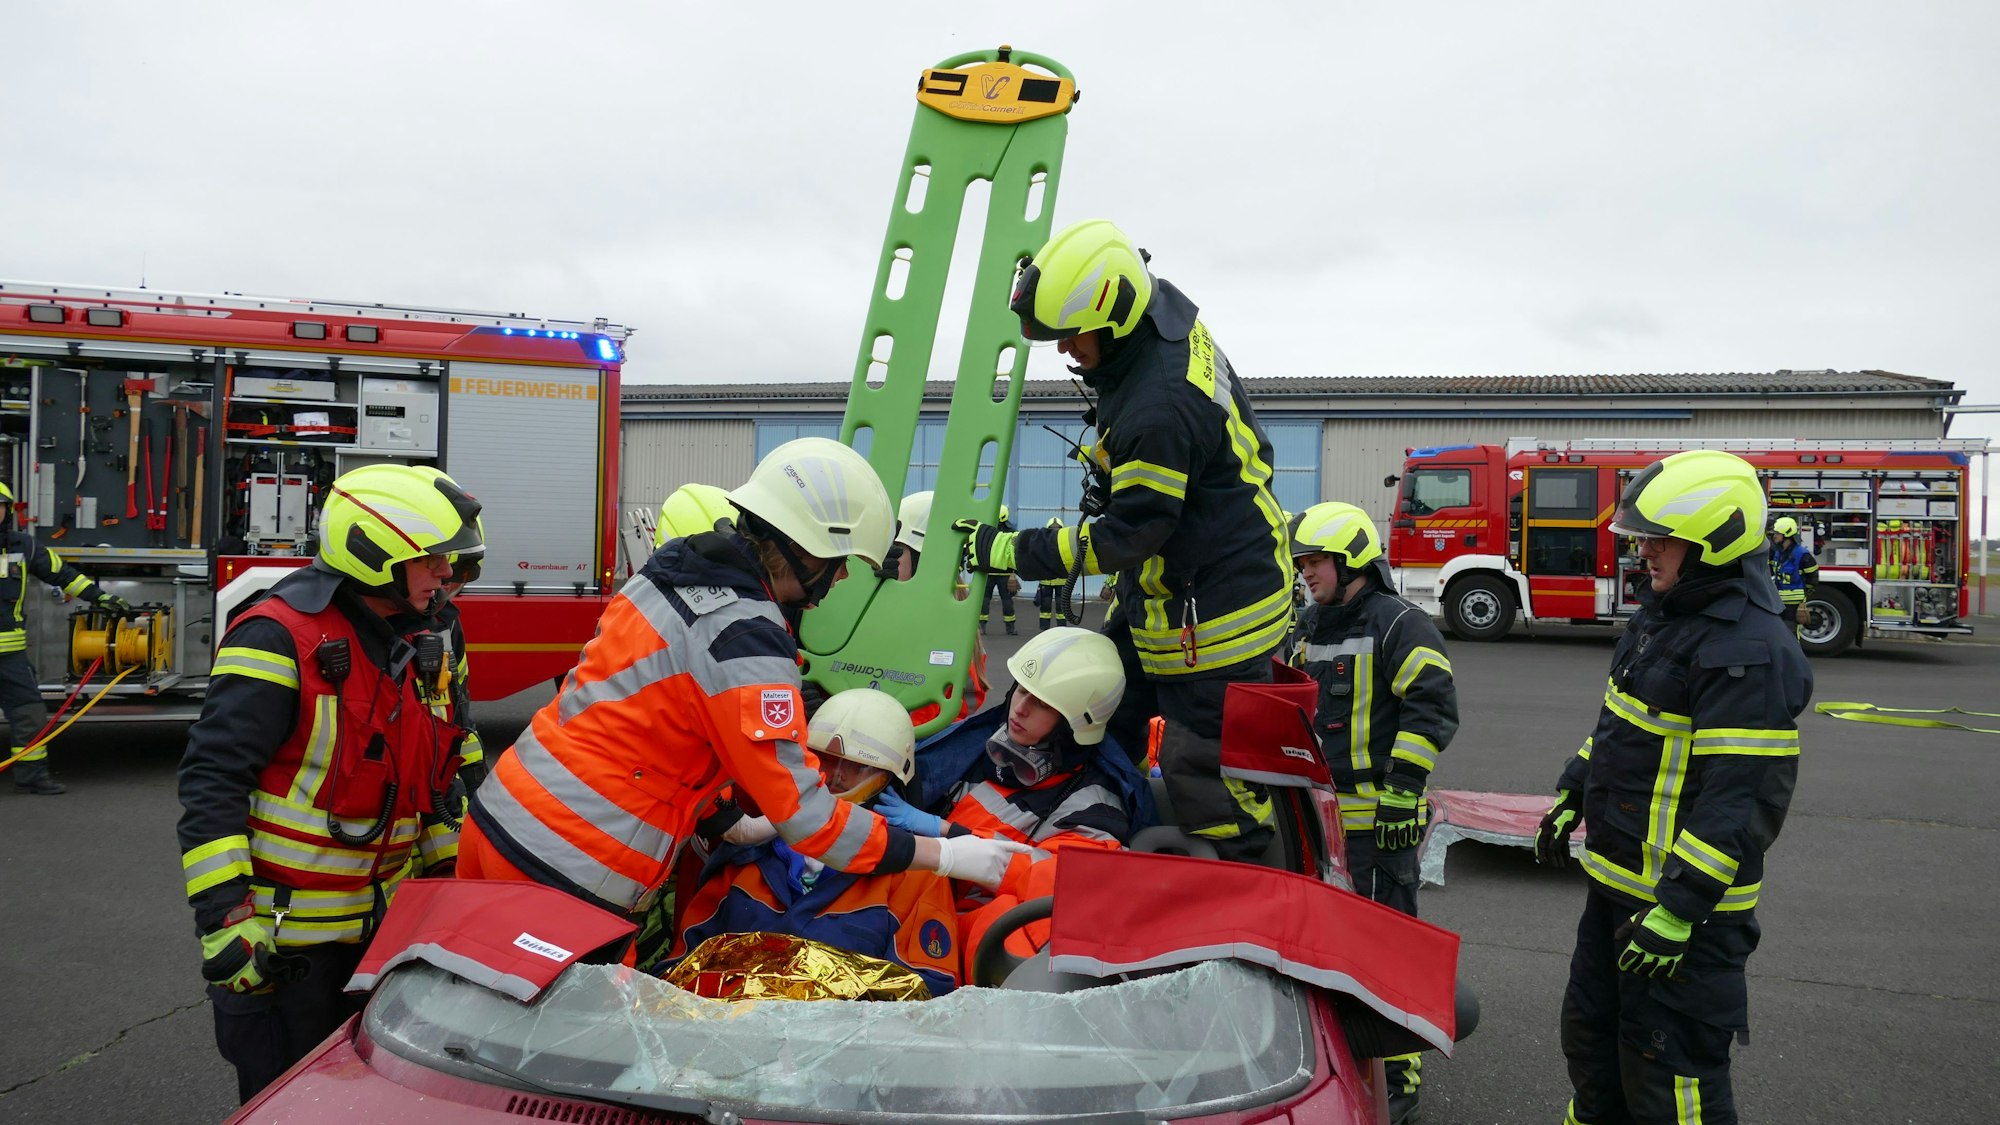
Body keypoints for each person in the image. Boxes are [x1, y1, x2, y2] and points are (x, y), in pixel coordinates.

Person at [459, 438, 1030, 925]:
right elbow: (812, 821)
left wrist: (726, 820)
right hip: (572, 863)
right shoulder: (748, 638)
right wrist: (944, 856)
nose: (841, 578)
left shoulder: (671, 572)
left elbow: (647, 717)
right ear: (803, 548)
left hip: (502, 815)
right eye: (841, 560)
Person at [959, 218, 1293, 863]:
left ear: (1113, 316)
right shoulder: (1162, 322)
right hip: (1185, 584)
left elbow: (1127, 536)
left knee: (1206, 776)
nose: (1064, 349)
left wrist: (1010, 551)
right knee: (1097, 710)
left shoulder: (1158, 407)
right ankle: (1103, 828)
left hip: (1214, 617)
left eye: (1072, 334)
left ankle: (1239, 879)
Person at [176, 464, 484, 1102]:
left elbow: (434, 781)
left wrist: (454, 889)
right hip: (288, 947)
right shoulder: (277, 635)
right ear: (373, 554)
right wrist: (225, 917)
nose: (445, 573)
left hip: (385, 942)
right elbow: (214, 780)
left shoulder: (422, 638)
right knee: (290, 1105)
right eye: (430, 559)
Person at [1533, 450, 1810, 1125]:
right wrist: (1574, 789)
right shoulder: (1664, 617)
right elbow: (1622, 726)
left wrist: (1681, 908)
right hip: (1618, 890)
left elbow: (1741, 798)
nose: (1645, 550)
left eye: (1662, 538)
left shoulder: (1747, 649)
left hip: (1683, 918)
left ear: (1714, 542)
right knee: (1593, 1046)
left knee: (1671, 1083)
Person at [1291, 501, 1458, 1124]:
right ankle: (1340, 1059)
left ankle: (1399, 1072)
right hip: (1321, 820)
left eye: (1315, 561)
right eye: (1303, 563)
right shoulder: (1309, 626)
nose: (1306, 573)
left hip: (1380, 822)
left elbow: (1432, 706)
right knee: (1327, 947)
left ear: (1351, 561)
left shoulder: (1399, 623)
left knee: (1388, 948)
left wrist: (1403, 791)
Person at [668, 689, 962, 996]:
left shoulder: (918, 875)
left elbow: (929, 992)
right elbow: (678, 968)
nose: (836, 776)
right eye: (826, 759)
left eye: (858, 766)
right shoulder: (746, 858)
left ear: (889, 780)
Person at [873, 626, 1136, 965]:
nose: (1019, 709)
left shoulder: (1092, 809)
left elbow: (1059, 881)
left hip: (960, 938)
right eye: (1021, 691)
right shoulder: (968, 749)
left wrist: (949, 834)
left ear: (1072, 728)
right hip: (915, 903)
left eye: (1041, 704)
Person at [0, 480, 131, 794]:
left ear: (7, 511)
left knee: (29, 713)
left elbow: (61, 573)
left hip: (10, 657)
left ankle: (32, 776)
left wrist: (100, 597)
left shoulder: (22, 546)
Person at [886, 490, 987, 727]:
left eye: (895, 552)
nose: (884, 563)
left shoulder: (948, 626)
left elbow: (965, 700)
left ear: (924, 560)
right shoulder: (956, 616)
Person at [1767, 515, 1819, 635]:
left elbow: (1813, 578)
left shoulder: (1802, 554)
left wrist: (1804, 595)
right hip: (1777, 600)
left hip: (1793, 603)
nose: (1775, 536)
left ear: (1787, 535)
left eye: (1777, 533)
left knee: (1790, 632)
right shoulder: (1777, 553)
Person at [976, 504, 1019, 635]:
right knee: (1007, 600)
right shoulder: (1011, 532)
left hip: (988, 572)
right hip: (1005, 572)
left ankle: (981, 627)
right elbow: (1015, 553)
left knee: (984, 599)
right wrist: (1014, 572)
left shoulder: (986, 530)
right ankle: (1010, 628)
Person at [1032, 515, 1065, 630]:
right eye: (1052, 529)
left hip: (1060, 581)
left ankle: (1061, 630)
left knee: (1061, 607)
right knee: (1045, 607)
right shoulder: (1042, 543)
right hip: (1047, 581)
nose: (1055, 531)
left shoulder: (1064, 543)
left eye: (1057, 529)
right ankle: (1044, 629)